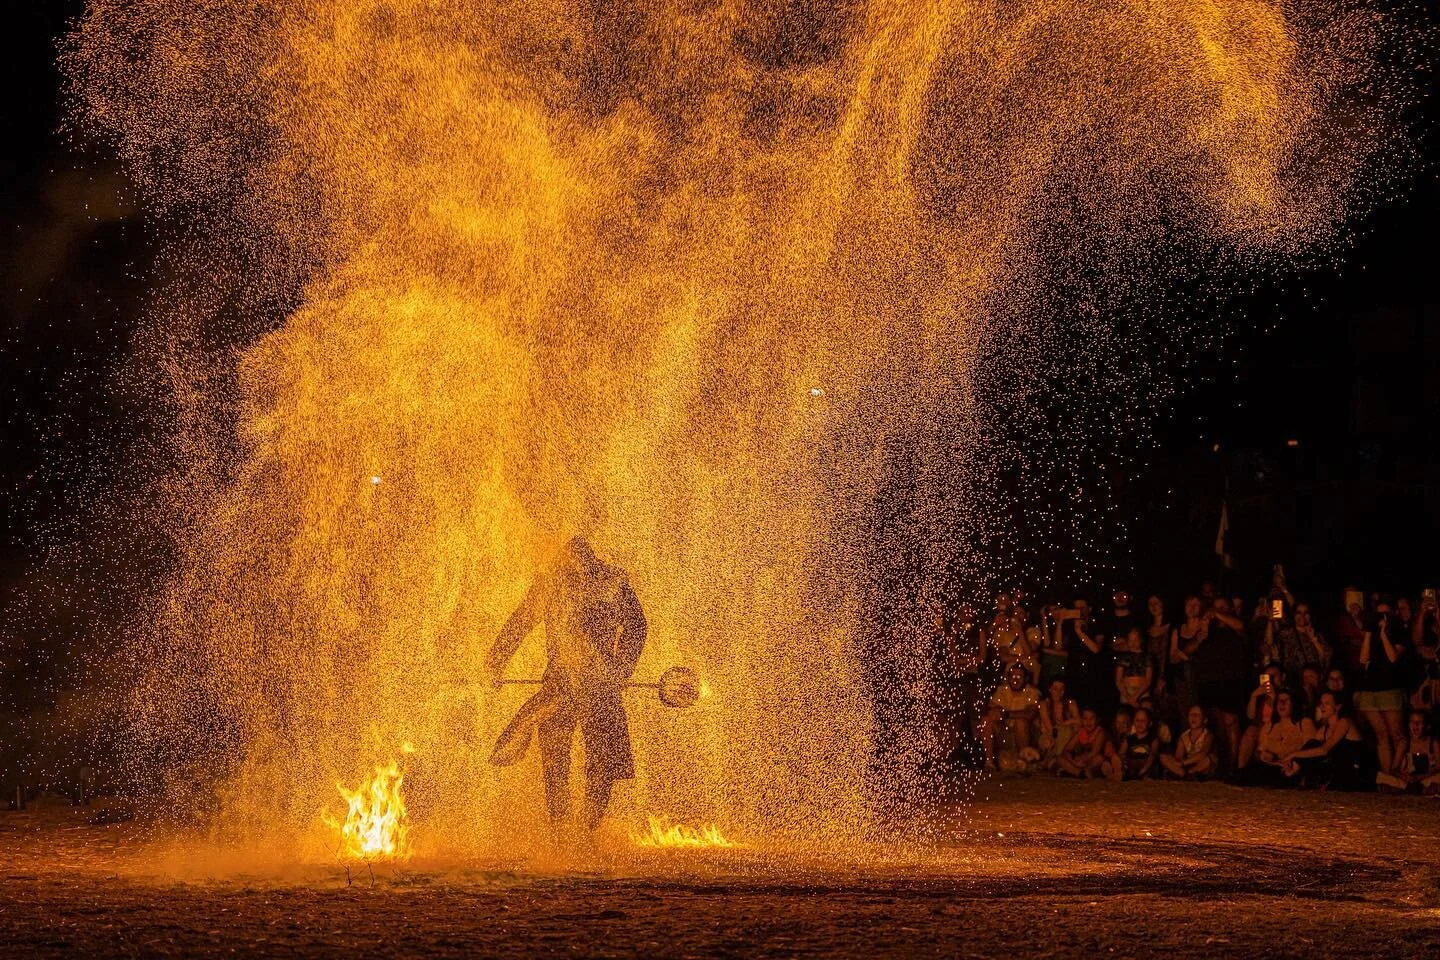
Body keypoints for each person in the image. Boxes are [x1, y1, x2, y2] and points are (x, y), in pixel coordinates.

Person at [487, 536, 647, 829]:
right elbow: (520, 622)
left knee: (602, 763)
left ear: (592, 560)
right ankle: (561, 831)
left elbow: (637, 626)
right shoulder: (551, 583)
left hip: (601, 685)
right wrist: (495, 662)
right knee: (555, 760)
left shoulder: (613, 582)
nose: (578, 568)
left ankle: (587, 829)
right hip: (560, 684)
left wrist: (622, 669)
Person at [1189, 598, 1249, 772]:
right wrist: (1200, 637)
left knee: (1231, 721)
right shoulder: (1208, 629)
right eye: (1215, 607)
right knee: (1213, 722)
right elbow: (1187, 650)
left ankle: (1233, 766)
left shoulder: (1237, 628)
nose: (1218, 610)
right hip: (1209, 680)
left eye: (1223, 607)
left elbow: (1240, 626)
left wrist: (1215, 613)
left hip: (1231, 679)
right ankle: (1215, 765)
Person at [1355, 600, 1407, 777]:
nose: (1383, 618)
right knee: (1381, 737)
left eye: (1386, 614)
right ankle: (1386, 777)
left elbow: (1393, 657)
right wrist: (1369, 634)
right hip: (1370, 690)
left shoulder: (1400, 633)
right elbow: (1363, 660)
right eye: (1379, 614)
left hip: (1390, 688)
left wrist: (1384, 634)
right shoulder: (1371, 634)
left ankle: (1395, 773)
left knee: (1397, 736)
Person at [1284, 692, 1370, 790]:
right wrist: (1294, 761)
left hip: (1355, 769)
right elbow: (1311, 748)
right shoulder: (1323, 730)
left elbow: (1324, 750)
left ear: (1337, 707)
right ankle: (1295, 771)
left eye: (1327, 703)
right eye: (1321, 703)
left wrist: (1294, 754)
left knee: (1323, 753)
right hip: (1337, 768)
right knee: (1313, 744)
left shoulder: (1344, 722)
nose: (1322, 707)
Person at [980, 663, 1041, 771]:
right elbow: (994, 711)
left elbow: (1030, 714)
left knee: (1020, 722)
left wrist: (1007, 714)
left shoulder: (1032, 692)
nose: (1015, 680)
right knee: (986, 720)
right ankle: (989, 762)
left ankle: (1023, 761)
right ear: (1008, 677)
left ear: (1025, 678)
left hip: (1026, 733)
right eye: (1013, 676)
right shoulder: (1002, 691)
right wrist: (999, 713)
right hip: (1005, 733)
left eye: (1019, 677)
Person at [1243, 690, 1305, 787]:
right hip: (1273, 767)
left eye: (1286, 700)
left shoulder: (1303, 724)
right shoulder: (1270, 726)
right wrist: (1263, 756)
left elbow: (1312, 747)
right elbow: (1258, 752)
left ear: (1293, 704)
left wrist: (1294, 759)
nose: (1282, 703)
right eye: (1279, 701)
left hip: (1294, 768)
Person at [1378, 711, 1440, 794]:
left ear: (1427, 726)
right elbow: (1394, 769)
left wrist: (1422, 777)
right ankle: (1412, 789)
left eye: (1419, 722)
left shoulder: (1433, 743)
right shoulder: (1404, 743)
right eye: (1412, 722)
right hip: (1407, 780)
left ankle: (1419, 789)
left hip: (1426, 779)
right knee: (1382, 777)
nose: (1415, 725)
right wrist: (1404, 777)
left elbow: (1438, 767)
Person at [1160, 706, 1217, 780]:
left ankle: (1188, 773)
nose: (1193, 717)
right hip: (1187, 764)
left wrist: (1183, 763)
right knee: (1163, 757)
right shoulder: (1184, 737)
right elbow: (1179, 757)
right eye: (1191, 715)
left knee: (1209, 760)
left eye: (1197, 715)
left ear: (1205, 720)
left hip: (1199, 764)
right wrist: (1178, 763)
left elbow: (1203, 753)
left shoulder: (1208, 735)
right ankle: (1184, 773)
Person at [1170, 596, 1206, 714]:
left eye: (1195, 604)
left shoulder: (1205, 628)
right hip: (1182, 679)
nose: (1192, 608)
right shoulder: (1178, 629)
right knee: (1185, 713)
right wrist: (1184, 657)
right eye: (1189, 604)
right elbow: (1172, 658)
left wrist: (1185, 657)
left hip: (1201, 678)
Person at [1037, 678, 1081, 768]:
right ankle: (1057, 760)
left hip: (1067, 738)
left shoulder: (1070, 703)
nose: (1059, 692)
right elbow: (1049, 728)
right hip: (1050, 737)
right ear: (1050, 689)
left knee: (1067, 731)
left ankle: (1057, 760)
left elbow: (1079, 721)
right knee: (1050, 740)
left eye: (1062, 689)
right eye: (1055, 689)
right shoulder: (1044, 704)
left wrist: (1066, 722)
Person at [1107, 707, 1158, 781]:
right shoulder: (1129, 739)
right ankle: (1119, 772)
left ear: (1150, 723)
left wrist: (1143, 770)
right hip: (1131, 765)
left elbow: (1153, 755)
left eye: (1143, 721)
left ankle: (1136, 775)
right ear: (1134, 722)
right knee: (1118, 758)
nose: (1139, 723)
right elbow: (1122, 753)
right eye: (1137, 720)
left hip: (1145, 764)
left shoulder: (1153, 739)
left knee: (1143, 762)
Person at [1056, 708, 1108, 778]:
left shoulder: (1100, 732)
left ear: (1097, 720)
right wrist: (1074, 761)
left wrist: (1080, 760)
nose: (1088, 722)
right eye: (1085, 719)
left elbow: (1094, 752)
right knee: (1059, 758)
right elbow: (1067, 749)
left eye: (1092, 719)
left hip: (1091, 762)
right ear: (1082, 720)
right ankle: (1079, 773)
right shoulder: (1081, 732)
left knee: (1099, 759)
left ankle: (1074, 772)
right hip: (1079, 762)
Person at [1113, 626, 1153, 709]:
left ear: (1141, 640)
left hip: (1142, 693)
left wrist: (1135, 696)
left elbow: (1148, 680)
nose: (1133, 643)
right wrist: (1128, 697)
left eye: (1136, 640)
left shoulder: (1147, 657)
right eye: (1131, 640)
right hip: (1126, 692)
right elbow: (1118, 680)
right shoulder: (1123, 657)